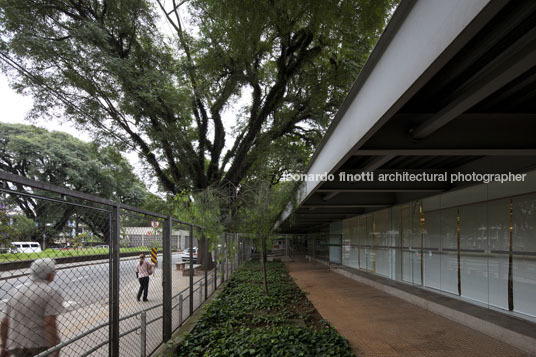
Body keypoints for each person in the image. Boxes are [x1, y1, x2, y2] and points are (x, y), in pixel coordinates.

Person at [1, 258, 63, 357]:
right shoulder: (51, 292)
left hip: (16, 345)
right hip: (40, 344)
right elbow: (49, 323)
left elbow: (5, 322)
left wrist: (4, 347)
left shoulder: (16, 290)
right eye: (54, 271)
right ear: (50, 274)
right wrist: (53, 348)